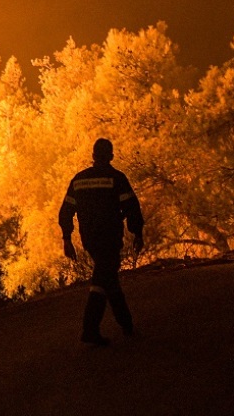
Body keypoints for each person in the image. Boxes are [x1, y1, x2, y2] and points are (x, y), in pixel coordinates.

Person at [59, 138, 145, 345]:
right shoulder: (116, 178)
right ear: (111, 156)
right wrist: (138, 234)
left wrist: (67, 239)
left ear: (93, 156)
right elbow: (132, 207)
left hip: (90, 239)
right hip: (110, 236)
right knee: (102, 279)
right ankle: (90, 329)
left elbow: (65, 212)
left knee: (107, 276)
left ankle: (126, 324)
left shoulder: (78, 180)